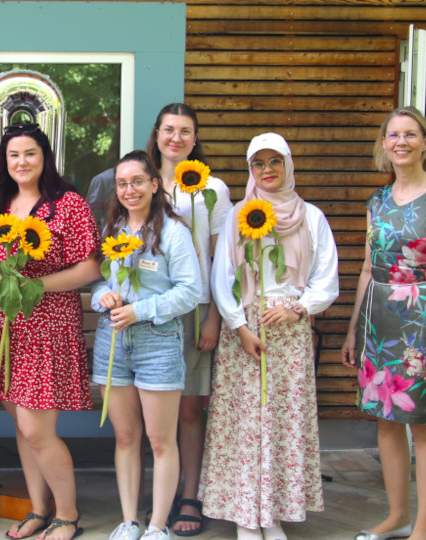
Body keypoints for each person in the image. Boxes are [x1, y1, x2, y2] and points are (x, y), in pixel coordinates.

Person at [202, 133, 339, 540]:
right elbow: (222, 277)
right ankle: (246, 515)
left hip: (291, 334)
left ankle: (274, 514)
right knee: (244, 422)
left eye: (274, 162)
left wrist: (298, 308)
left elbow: (326, 278)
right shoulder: (239, 216)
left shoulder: (311, 217)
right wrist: (239, 327)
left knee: (282, 423)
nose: (267, 171)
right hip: (244, 333)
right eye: (258, 164)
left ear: (288, 164)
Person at [341, 107, 426, 540]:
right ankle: (397, 517)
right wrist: (354, 330)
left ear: (425, 142)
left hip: (421, 321)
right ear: (383, 144)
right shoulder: (376, 201)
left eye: (410, 134)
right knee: (386, 420)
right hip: (379, 321)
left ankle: (425, 529)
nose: (400, 142)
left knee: (425, 424)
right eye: (392, 135)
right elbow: (365, 269)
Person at [0, 123, 101, 540]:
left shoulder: (68, 204)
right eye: (14, 155)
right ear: (3, 162)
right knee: (21, 427)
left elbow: (90, 266)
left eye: (30, 153)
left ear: (44, 156)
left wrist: (38, 285)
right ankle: (39, 509)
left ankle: (68, 515)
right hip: (2, 327)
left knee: (36, 429)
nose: (21, 162)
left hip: (47, 325)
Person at [92, 151, 201, 540]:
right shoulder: (114, 229)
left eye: (137, 181)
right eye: (122, 184)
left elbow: (191, 291)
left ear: (155, 184)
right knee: (125, 437)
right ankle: (129, 521)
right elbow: (99, 279)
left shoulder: (173, 232)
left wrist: (141, 310)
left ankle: (157, 526)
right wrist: (102, 295)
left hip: (157, 341)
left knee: (159, 440)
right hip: (113, 340)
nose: (129, 190)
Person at [147, 103, 230, 537]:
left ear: (196, 139)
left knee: (190, 408)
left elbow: (219, 260)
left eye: (185, 131)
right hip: (148, 310)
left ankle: (191, 493)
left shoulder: (212, 189)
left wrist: (214, 315)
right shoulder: (140, 181)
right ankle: (162, 491)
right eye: (169, 130)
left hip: (194, 310)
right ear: (156, 134)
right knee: (155, 410)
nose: (176, 138)